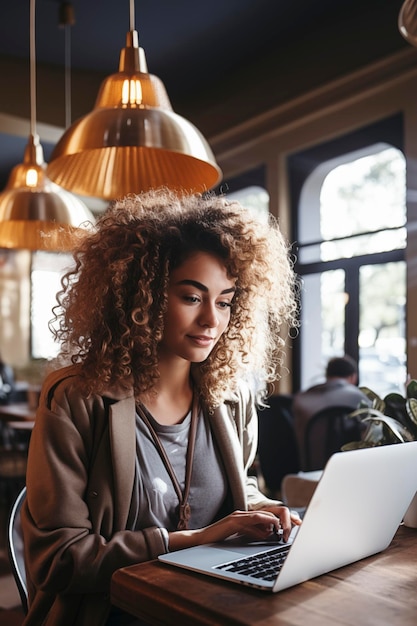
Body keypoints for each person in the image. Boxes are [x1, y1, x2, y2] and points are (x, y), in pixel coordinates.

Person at [21, 188, 301, 626]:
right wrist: (190, 539)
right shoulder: (78, 399)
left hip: (212, 602)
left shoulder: (230, 397)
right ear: (141, 297)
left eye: (225, 302)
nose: (212, 320)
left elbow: (233, 490)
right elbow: (57, 560)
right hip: (113, 612)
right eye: (191, 297)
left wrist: (262, 509)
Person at [292, 355, 370, 469]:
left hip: (307, 471)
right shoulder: (358, 397)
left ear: (327, 375)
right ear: (353, 377)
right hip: (348, 469)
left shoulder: (301, 399)